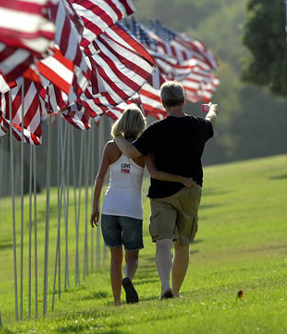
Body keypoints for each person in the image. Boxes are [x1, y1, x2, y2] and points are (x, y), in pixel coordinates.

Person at [114, 81, 217, 300]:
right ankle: (176, 291)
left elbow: (132, 152)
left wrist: (118, 136)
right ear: (183, 100)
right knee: (183, 245)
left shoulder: (156, 130)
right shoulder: (198, 125)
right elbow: (211, 122)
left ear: (163, 104)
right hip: (191, 190)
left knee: (162, 242)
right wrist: (212, 109)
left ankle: (165, 287)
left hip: (162, 194)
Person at [90, 106, 195, 306]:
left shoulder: (110, 147)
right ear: (139, 126)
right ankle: (128, 276)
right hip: (132, 209)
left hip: (110, 208)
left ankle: (117, 302)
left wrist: (95, 207)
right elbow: (155, 174)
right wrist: (182, 179)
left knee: (115, 258)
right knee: (132, 258)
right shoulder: (143, 149)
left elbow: (99, 178)